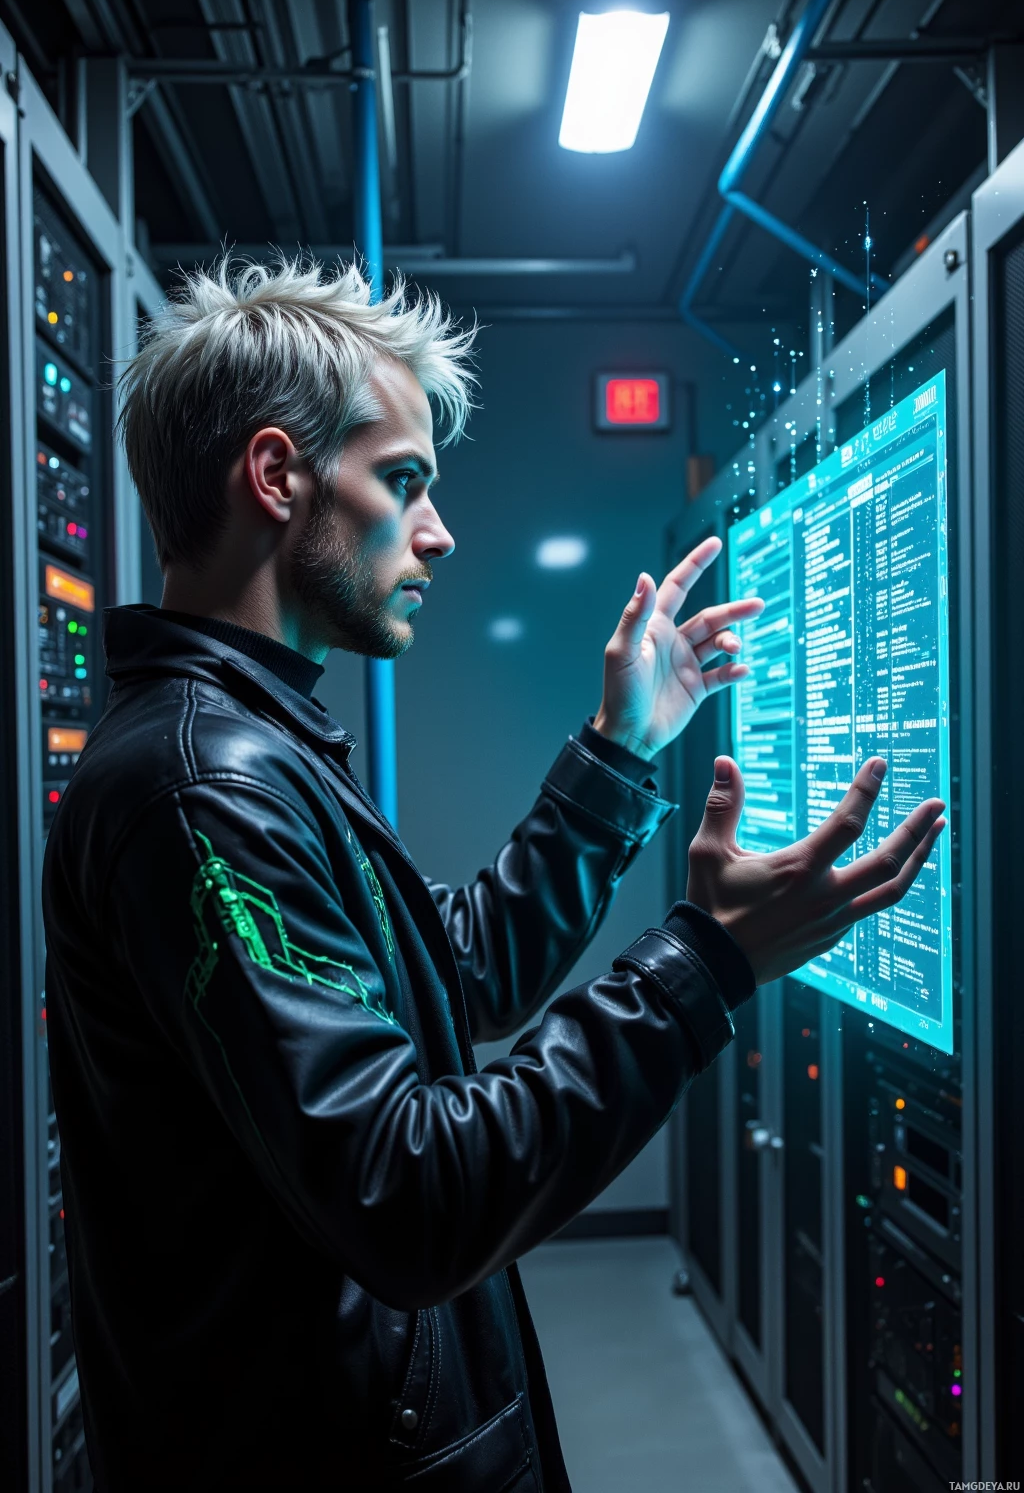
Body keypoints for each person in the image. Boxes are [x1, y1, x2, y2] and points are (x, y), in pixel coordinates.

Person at [42, 259, 946, 1493]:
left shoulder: (245, 749)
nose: (437, 530)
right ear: (274, 476)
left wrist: (618, 755)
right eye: (403, 481)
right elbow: (406, 1194)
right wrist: (704, 965)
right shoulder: (205, 787)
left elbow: (441, 985)